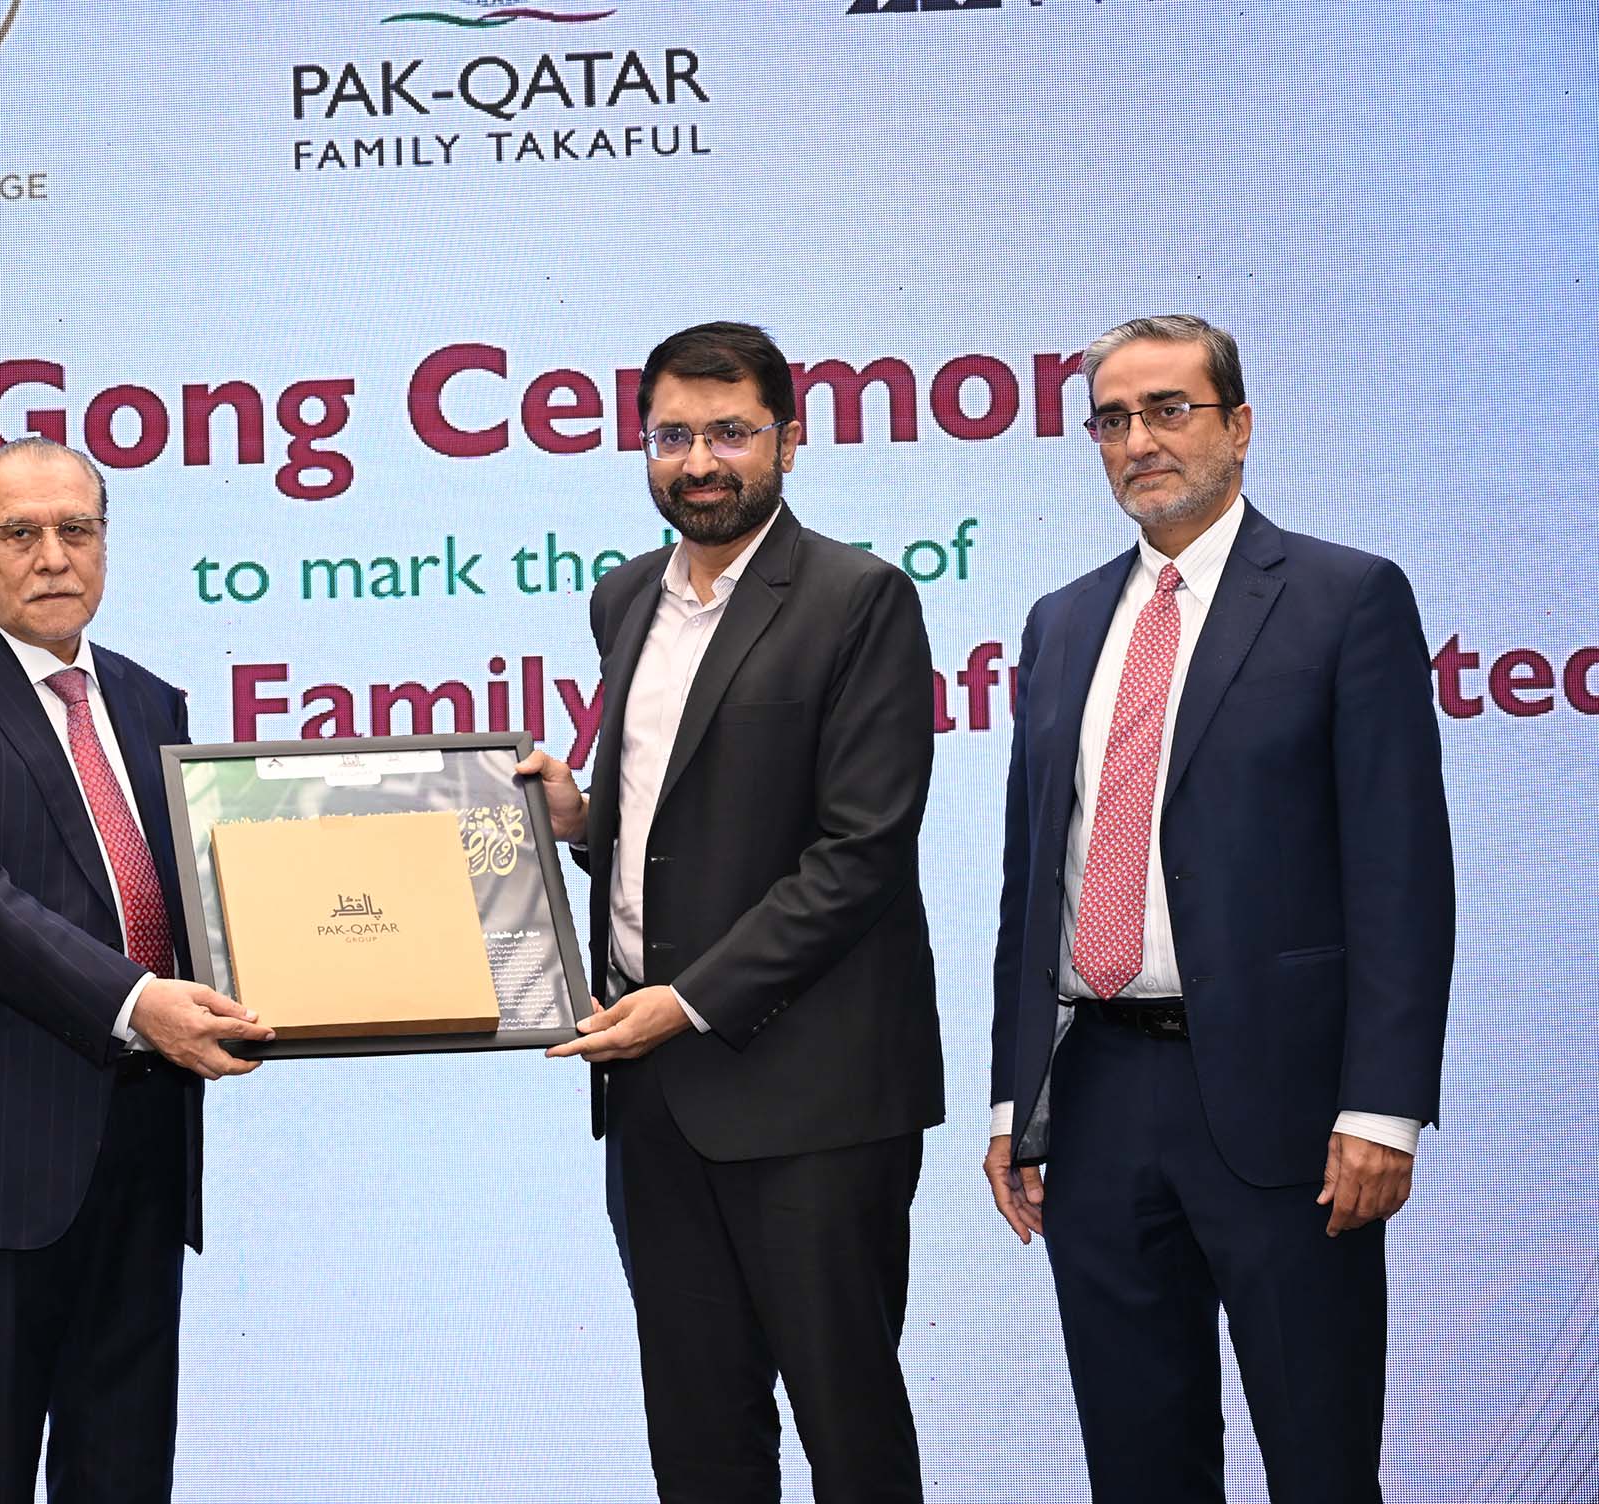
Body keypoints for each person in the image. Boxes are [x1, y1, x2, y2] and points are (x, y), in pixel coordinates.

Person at [984, 315, 1452, 1503]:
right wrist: (1014, 1099)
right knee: (1138, 1469)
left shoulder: (1346, 597)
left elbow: (1401, 871)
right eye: (1113, 419)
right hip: (1096, 1098)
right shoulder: (1060, 621)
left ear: (1238, 426)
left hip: (1286, 1106)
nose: (1139, 439)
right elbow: (1033, 878)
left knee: (1319, 1463)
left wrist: (1384, 1109)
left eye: (1169, 409)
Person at [520, 321, 941, 1504]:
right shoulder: (623, 599)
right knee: (699, 1435)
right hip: (653, 1095)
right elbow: (691, 814)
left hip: (812, 1094)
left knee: (848, 1431)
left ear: (788, 442)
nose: (699, 461)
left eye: (729, 433)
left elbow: (860, 851)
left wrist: (689, 1001)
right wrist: (582, 821)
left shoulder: (860, 599)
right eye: (672, 436)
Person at [0, 437, 273, 1502]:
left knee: (125, 1471)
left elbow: (189, 893)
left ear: (105, 542)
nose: (52, 557)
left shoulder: (147, 698)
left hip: (143, 1145)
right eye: (20, 533)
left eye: (75, 530)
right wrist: (140, 1001)